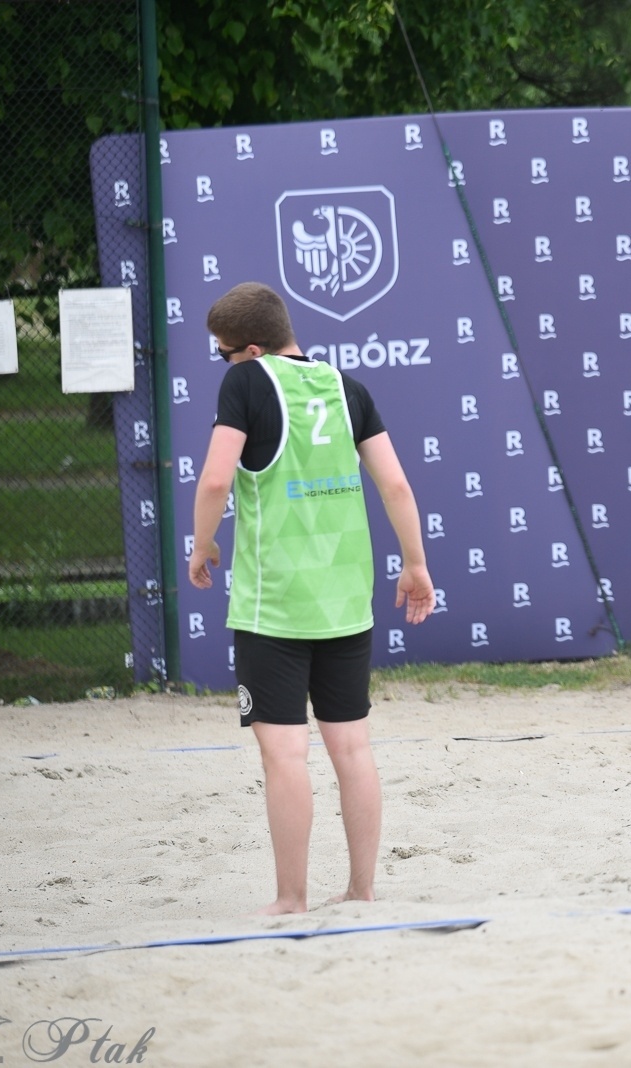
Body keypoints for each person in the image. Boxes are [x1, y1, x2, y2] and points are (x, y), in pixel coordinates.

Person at [187, 281, 435, 914]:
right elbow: (397, 486)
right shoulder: (346, 387)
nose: (222, 363)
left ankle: (290, 899)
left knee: (285, 754)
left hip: (274, 602)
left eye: (222, 353)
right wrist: (415, 564)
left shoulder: (246, 382)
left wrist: (203, 543)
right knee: (352, 748)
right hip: (346, 596)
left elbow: (215, 480)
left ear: (250, 349)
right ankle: (361, 889)